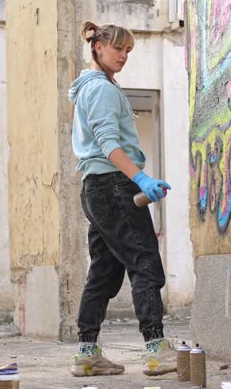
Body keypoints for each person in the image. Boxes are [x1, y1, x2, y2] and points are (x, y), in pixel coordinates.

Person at [67, 21, 176, 377]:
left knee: (104, 271)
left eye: (128, 50)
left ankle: (87, 353)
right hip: (113, 185)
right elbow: (109, 143)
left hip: (96, 188)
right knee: (145, 262)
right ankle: (157, 349)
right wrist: (140, 177)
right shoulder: (100, 90)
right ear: (97, 47)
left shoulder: (96, 88)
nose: (124, 55)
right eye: (118, 48)